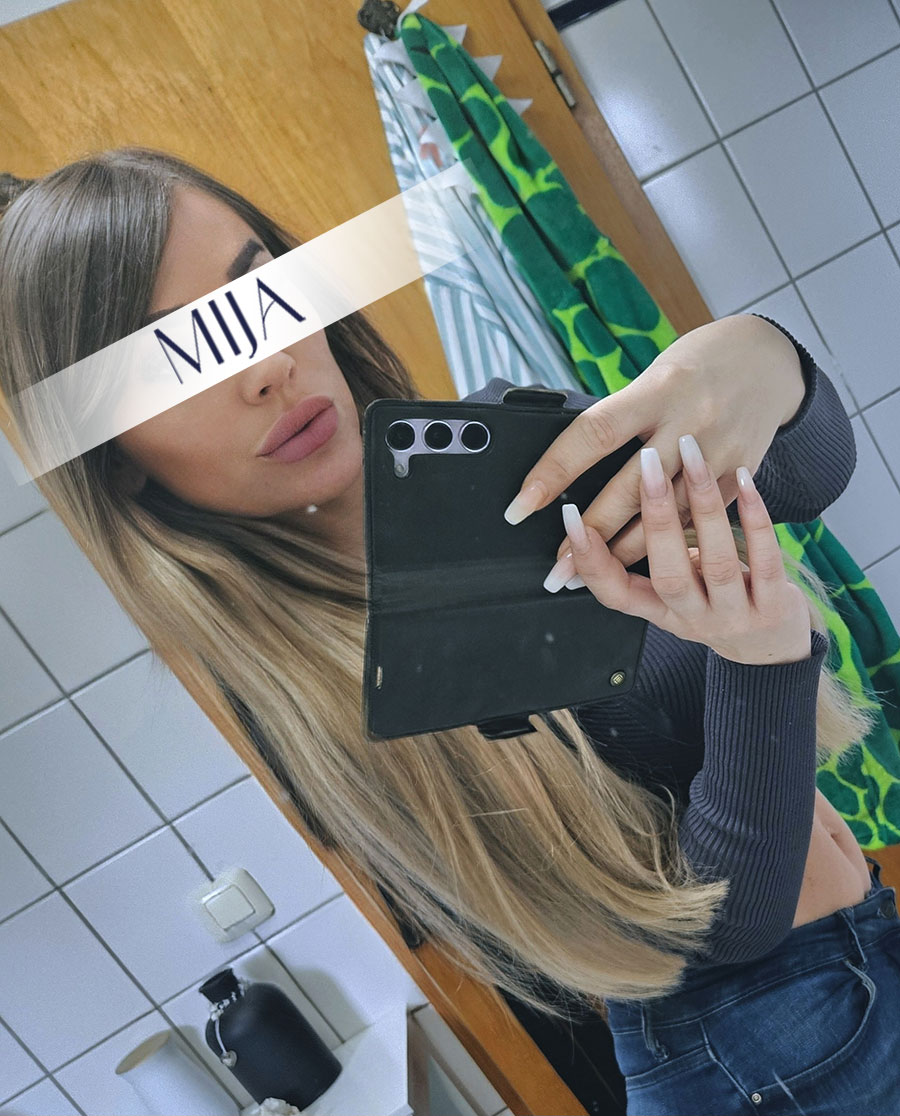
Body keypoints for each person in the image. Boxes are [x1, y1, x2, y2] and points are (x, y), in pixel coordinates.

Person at [1, 147, 898, 1116]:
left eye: (255, 294)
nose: (266, 367)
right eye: (170, 362)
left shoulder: (513, 450)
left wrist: (762, 362)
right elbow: (718, 932)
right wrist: (760, 663)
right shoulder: (335, 697)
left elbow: (804, 477)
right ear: (118, 460)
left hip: (865, 939)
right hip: (768, 1064)